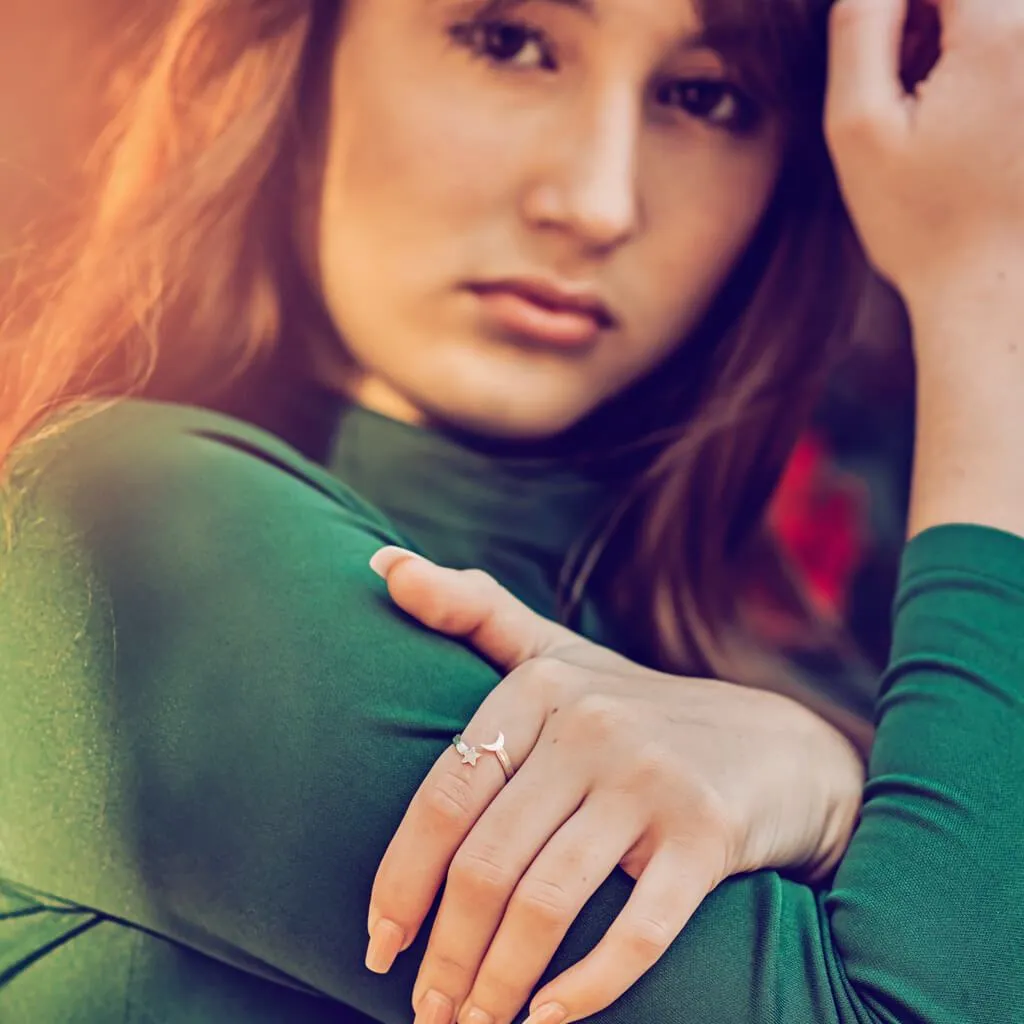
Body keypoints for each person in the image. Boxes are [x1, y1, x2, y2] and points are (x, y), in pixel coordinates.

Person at [0, 0, 1021, 1022]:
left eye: (704, 97)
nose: (593, 200)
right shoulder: (116, 540)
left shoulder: (772, 674)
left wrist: (821, 776)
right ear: (301, 51)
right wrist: (985, 291)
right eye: (508, 42)